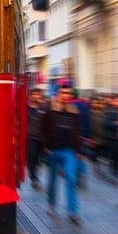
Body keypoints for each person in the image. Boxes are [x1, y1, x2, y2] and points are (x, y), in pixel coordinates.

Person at [42, 85, 85, 223]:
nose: (66, 95)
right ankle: (51, 204)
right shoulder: (50, 110)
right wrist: (46, 147)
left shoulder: (74, 111)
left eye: (68, 93)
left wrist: (79, 151)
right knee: (53, 180)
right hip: (53, 150)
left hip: (69, 151)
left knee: (71, 178)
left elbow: (78, 132)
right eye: (63, 93)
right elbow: (43, 129)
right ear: (58, 94)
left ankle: (73, 212)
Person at [26, 90, 48, 191]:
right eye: (34, 94)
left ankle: (34, 174)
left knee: (38, 160)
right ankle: (33, 178)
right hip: (30, 137)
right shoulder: (26, 108)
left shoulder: (44, 107)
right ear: (31, 96)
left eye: (38, 94)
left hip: (41, 138)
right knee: (32, 158)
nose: (36, 96)